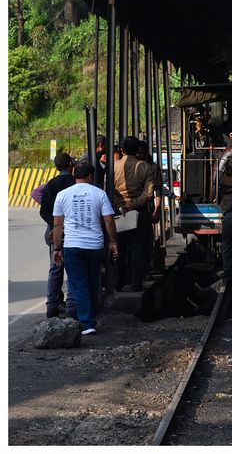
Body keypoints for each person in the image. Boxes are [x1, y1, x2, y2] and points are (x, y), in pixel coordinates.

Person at [51, 161, 118, 335]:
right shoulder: (100, 194)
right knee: (92, 282)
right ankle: (89, 317)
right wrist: (113, 242)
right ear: (90, 176)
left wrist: (57, 248)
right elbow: (109, 221)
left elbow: (57, 225)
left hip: (72, 246)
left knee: (79, 285)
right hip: (94, 246)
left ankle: (87, 322)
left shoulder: (63, 195)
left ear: (74, 173)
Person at [112, 136, 156, 292]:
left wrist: (121, 205)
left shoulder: (113, 166)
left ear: (121, 150)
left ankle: (118, 283)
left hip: (119, 214)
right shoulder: (145, 167)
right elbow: (148, 193)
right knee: (138, 249)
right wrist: (133, 205)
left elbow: (109, 190)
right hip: (140, 213)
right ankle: (135, 283)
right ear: (138, 149)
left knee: (119, 249)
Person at [39, 153, 77, 318]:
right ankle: (71, 306)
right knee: (74, 269)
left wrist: (55, 227)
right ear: (70, 164)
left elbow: (43, 210)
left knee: (55, 268)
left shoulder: (51, 184)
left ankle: (52, 305)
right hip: (73, 231)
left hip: (55, 232)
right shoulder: (75, 183)